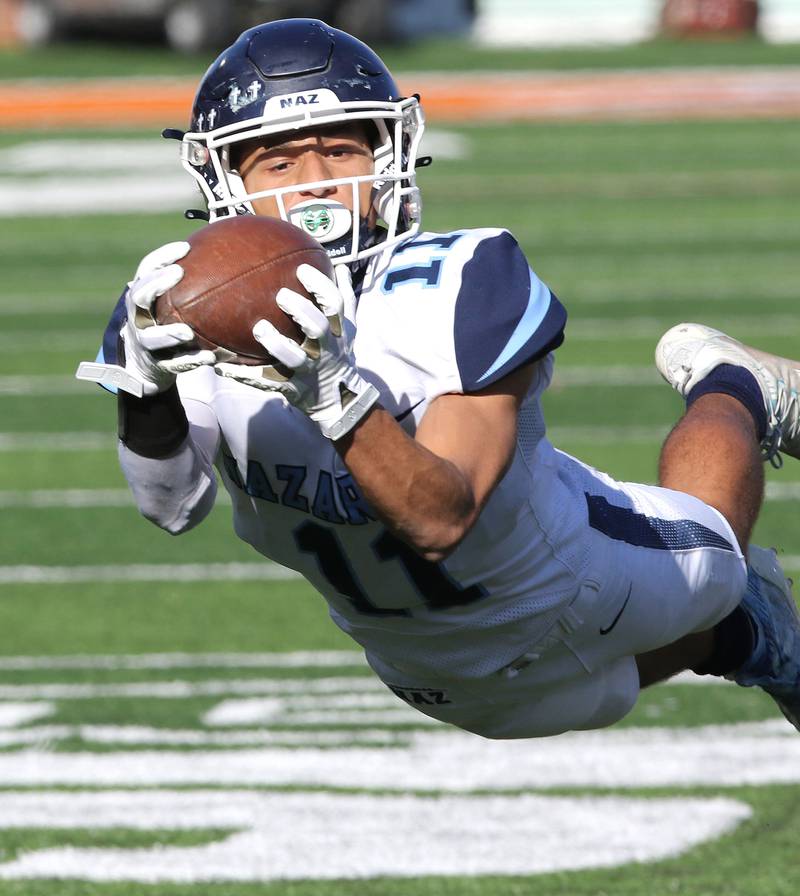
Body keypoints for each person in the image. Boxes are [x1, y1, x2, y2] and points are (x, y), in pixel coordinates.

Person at [77, 17, 800, 739]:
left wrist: (335, 395)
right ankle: (754, 637)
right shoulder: (174, 301)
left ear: (389, 153)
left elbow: (442, 517)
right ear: (224, 178)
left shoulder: (461, 279)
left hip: (579, 572)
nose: (319, 184)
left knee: (719, 570)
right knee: (574, 687)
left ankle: (736, 386)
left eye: (339, 149)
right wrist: (148, 392)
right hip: (423, 657)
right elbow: (170, 505)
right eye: (279, 164)